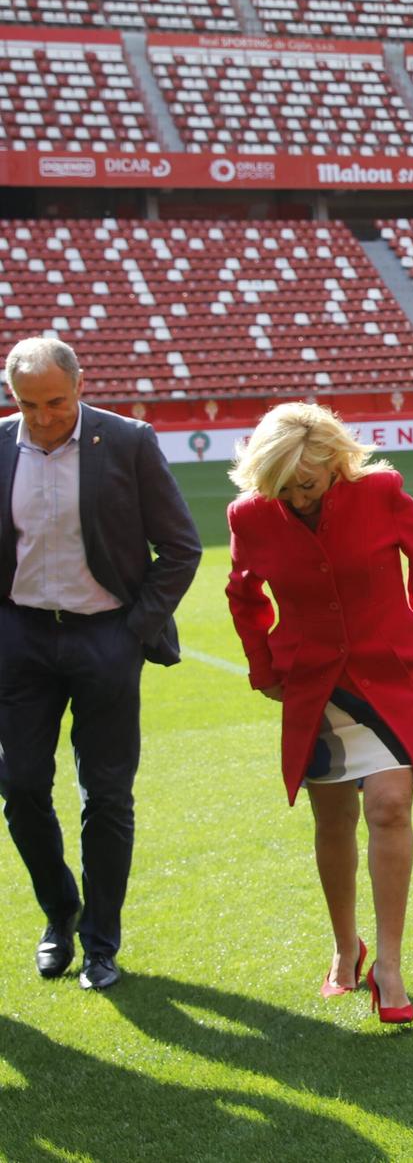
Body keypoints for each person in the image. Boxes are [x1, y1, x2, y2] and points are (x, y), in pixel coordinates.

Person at [223, 403, 413, 1025]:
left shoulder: (380, 491)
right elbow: (244, 595)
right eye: (284, 486)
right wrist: (264, 668)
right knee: (332, 822)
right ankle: (346, 946)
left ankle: (391, 965)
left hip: (389, 675)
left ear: (333, 463)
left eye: (309, 483)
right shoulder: (250, 515)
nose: (297, 498)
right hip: (314, 685)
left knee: (389, 807)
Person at [0, 336, 200, 991]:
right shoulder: (3, 444)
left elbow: (180, 545)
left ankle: (101, 942)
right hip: (22, 639)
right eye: (28, 403)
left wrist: (131, 631)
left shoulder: (127, 442)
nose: (43, 416)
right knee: (22, 787)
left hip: (104, 638)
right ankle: (61, 913)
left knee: (106, 795)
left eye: (55, 401)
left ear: (80, 386)